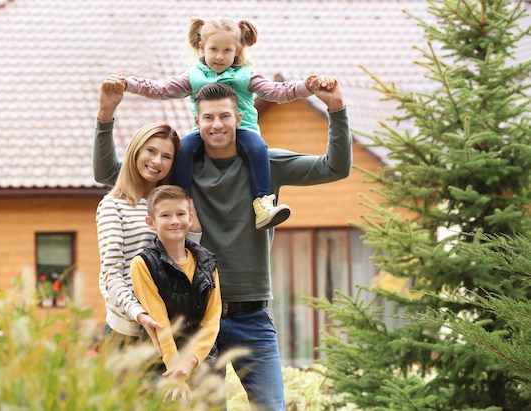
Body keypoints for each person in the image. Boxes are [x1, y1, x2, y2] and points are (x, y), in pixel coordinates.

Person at [93, 75, 351, 410]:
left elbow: (335, 167)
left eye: (225, 116)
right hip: (196, 316)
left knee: (272, 406)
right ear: (196, 121)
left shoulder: (267, 164)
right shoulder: (181, 170)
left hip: (252, 315)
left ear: (239, 119)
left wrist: (336, 109)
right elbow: (109, 173)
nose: (217, 125)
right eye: (209, 117)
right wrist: (105, 117)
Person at [117, 16, 321, 230]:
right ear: (201, 47)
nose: (220, 57)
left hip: (242, 130)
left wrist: (306, 87)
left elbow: (277, 91)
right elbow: (160, 89)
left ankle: (262, 203)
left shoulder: (245, 75)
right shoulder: (193, 76)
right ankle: (181, 202)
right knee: (184, 149)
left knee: (258, 148)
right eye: (214, 49)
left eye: (227, 51)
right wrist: (129, 83)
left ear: (237, 50)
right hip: (204, 133)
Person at [95, 75, 182, 353]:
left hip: (168, 328)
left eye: (166, 157)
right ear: (136, 151)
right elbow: (112, 273)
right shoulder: (113, 205)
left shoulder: (169, 207)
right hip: (128, 334)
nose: (157, 161)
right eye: (151, 151)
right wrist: (139, 315)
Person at [130, 184, 221, 401]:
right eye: (165, 215)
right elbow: (158, 321)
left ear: (190, 219)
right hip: (163, 369)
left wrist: (190, 362)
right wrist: (176, 371)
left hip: (204, 365)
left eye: (181, 214)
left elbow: (212, 320)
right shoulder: (142, 264)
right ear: (151, 223)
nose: (174, 221)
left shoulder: (207, 263)